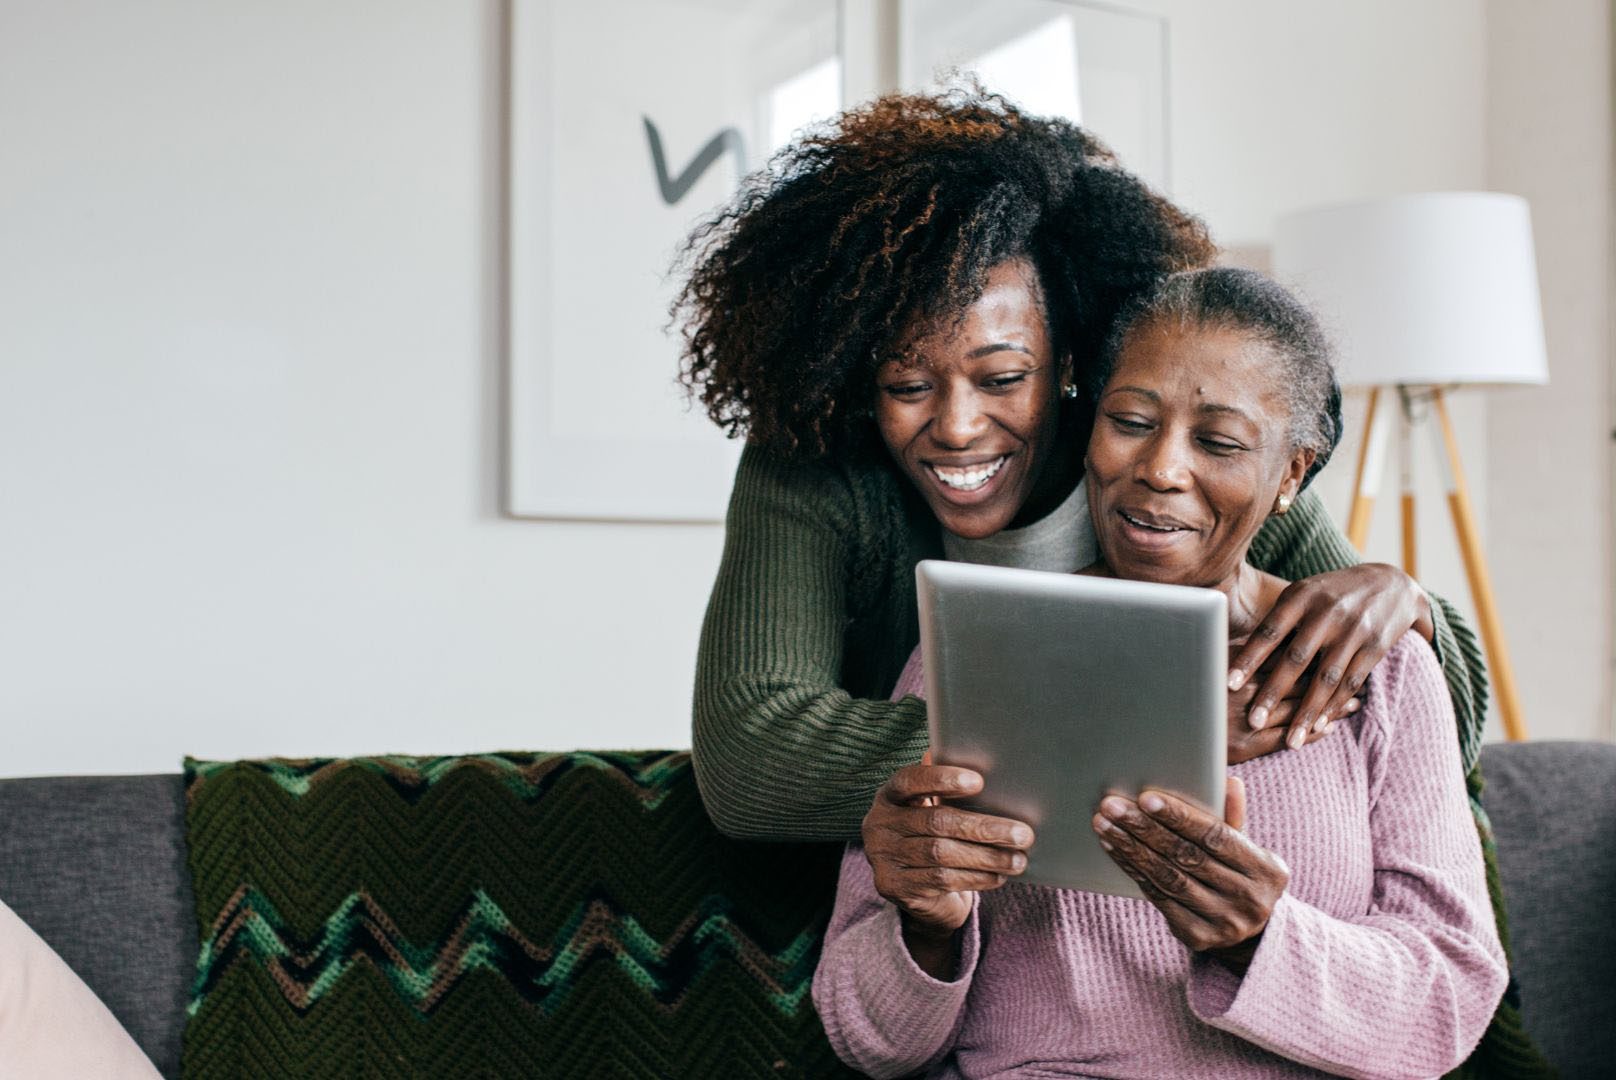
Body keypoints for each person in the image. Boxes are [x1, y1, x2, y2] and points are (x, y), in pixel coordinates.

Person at [674, 88, 1488, 843]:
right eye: (908, 384)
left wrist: (1403, 601)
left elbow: (1441, 720)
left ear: (1070, 359)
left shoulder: (1181, 460)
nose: (957, 427)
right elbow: (753, 763)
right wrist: (1151, 728)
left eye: (1003, 379)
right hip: (929, 899)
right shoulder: (818, 459)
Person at [812, 268, 1507, 1078]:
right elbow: (866, 1039)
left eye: (1217, 442)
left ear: (1290, 474)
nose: (1161, 469)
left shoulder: (1383, 672)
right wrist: (923, 927)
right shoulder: (971, 648)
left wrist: (1261, 939)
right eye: (1131, 422)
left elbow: (1449, 1004)